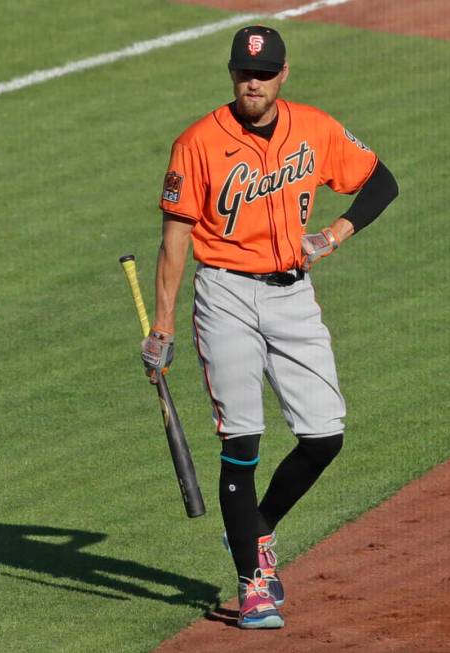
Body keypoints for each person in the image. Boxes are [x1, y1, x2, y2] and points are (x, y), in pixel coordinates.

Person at [141, 24, 398, 629]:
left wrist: (334, 235)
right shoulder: (198, 143)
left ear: (284, 74)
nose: (251, 82)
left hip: (293, 295)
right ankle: (253, 581)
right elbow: (175, 237)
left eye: (263, 73)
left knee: (324, 436)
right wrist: (163, 325)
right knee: (242, 440)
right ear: (232, 74)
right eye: (242, 72)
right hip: (225, 293)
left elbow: (381, 181)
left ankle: (254, 532)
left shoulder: (315, 127)